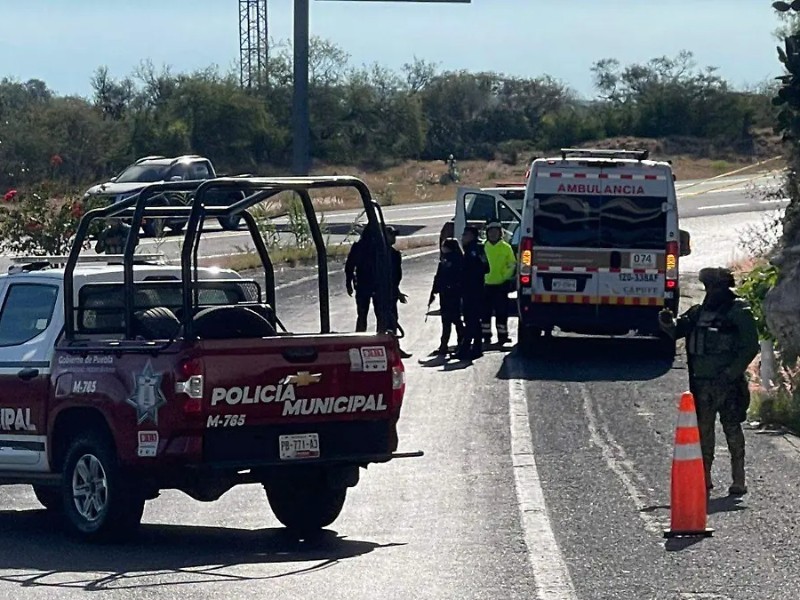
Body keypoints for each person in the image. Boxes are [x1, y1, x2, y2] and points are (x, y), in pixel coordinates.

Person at [658, 266, 759, 496]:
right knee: (703, 433)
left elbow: (750, 346)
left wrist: (731, 373)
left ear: (722, 287)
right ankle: (704, 477)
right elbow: (677, 329)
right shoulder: (698, 313)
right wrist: (666, 322)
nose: (709, 291)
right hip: (702, 384)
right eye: (707, 287)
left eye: (712, 286)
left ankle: (738, 478)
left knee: (732, 429)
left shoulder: (739, 311)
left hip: (728, 383)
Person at [345, 224, 411, 358]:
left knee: (377, 318)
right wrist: (349, 281)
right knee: (376, 317)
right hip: (371, 287)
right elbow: (350, 266)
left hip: (373, 288)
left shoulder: (386, 252)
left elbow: (394, 275)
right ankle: (373, 345)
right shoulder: (380, 250)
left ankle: (374, 346)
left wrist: (395, 291)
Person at [457, 225, 489, 361]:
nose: (463, 237)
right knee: (474, 320)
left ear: (472, 236)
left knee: (471, 320)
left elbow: (485, 268)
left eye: (465, 235)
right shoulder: (475, 249)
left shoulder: (473, 250)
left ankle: (465, 349)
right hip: (473, 290)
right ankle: (477, 348)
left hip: (473, 290)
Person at [481, 222, 516, 345]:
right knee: (485, 312)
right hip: (485, 285)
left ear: (500, 233)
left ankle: (502, 336)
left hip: (501, 285)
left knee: (501, 312)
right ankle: (485, 336)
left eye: (496, 232)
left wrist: (504, 276)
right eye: (490, 232)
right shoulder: (483, 247)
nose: (493, 234)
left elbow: (512, 264)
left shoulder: (506, 247)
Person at [429, 238, 465, 355]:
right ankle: (444, 345)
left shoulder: (456, 261)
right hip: (445, 294)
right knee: (447, 321)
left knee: (454, 319)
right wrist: (434, 292)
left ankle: (462, 342)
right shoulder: (444, 260)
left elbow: (454, 278)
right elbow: (438, 277)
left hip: (453, 294)